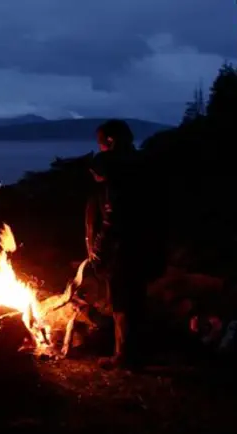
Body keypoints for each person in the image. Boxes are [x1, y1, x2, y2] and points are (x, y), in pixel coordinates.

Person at [85, 119, 148, 370]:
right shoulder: (139, 164)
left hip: (122, 247)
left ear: (110, 140)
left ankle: (123, 355)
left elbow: (113, 216)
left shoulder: (115, 169)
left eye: (101, 141)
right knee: (134, 298)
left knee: (122, 301)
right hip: (140, 243)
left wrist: (99, 249)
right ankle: (134, 352)